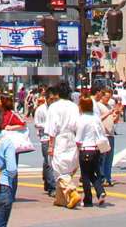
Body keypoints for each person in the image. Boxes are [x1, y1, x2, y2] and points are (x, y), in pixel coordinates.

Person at [44, 81, 81, 209]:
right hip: (72, 137)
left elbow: (52, 127)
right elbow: (78, 125)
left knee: (58, 168)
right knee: (68, 167)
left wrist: (50, 145)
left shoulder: (54, 107)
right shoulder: (73, 106)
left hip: (60, 138)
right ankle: (61, 199)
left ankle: (72, 191)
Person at [75, 96, 106, 207]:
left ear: (81, 106)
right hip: (96, 149)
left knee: (85, 176)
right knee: (94, 173)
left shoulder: (81, 119)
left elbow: (78, 138)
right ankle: (100, 192)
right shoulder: (96, 118)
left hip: (85, 149)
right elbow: (102, 131)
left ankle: (88, 199)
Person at [34, 87, 56, 198]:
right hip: (45, 138)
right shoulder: (40, 110)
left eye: (54, 99)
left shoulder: (56, 109)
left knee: (49, 162)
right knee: (48, 161)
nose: (53, 101)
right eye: (51, 99)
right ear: (46, 99)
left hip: (55, 138)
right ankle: (52, 187)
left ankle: (47, 180)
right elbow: (36, 124)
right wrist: (47, 126)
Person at [97, 89, 120, 186]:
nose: (108, 99)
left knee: (109, 158)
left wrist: (117, 114)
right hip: (103, 135)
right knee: (103, 158)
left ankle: (108, 177)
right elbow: (98, 119)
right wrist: (109, 113)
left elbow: (114, 121)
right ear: (102, 96)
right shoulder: (98, 106)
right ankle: (102, 178)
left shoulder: (108, 106)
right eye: (106, 97)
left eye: (109, 97)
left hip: (110, 134)